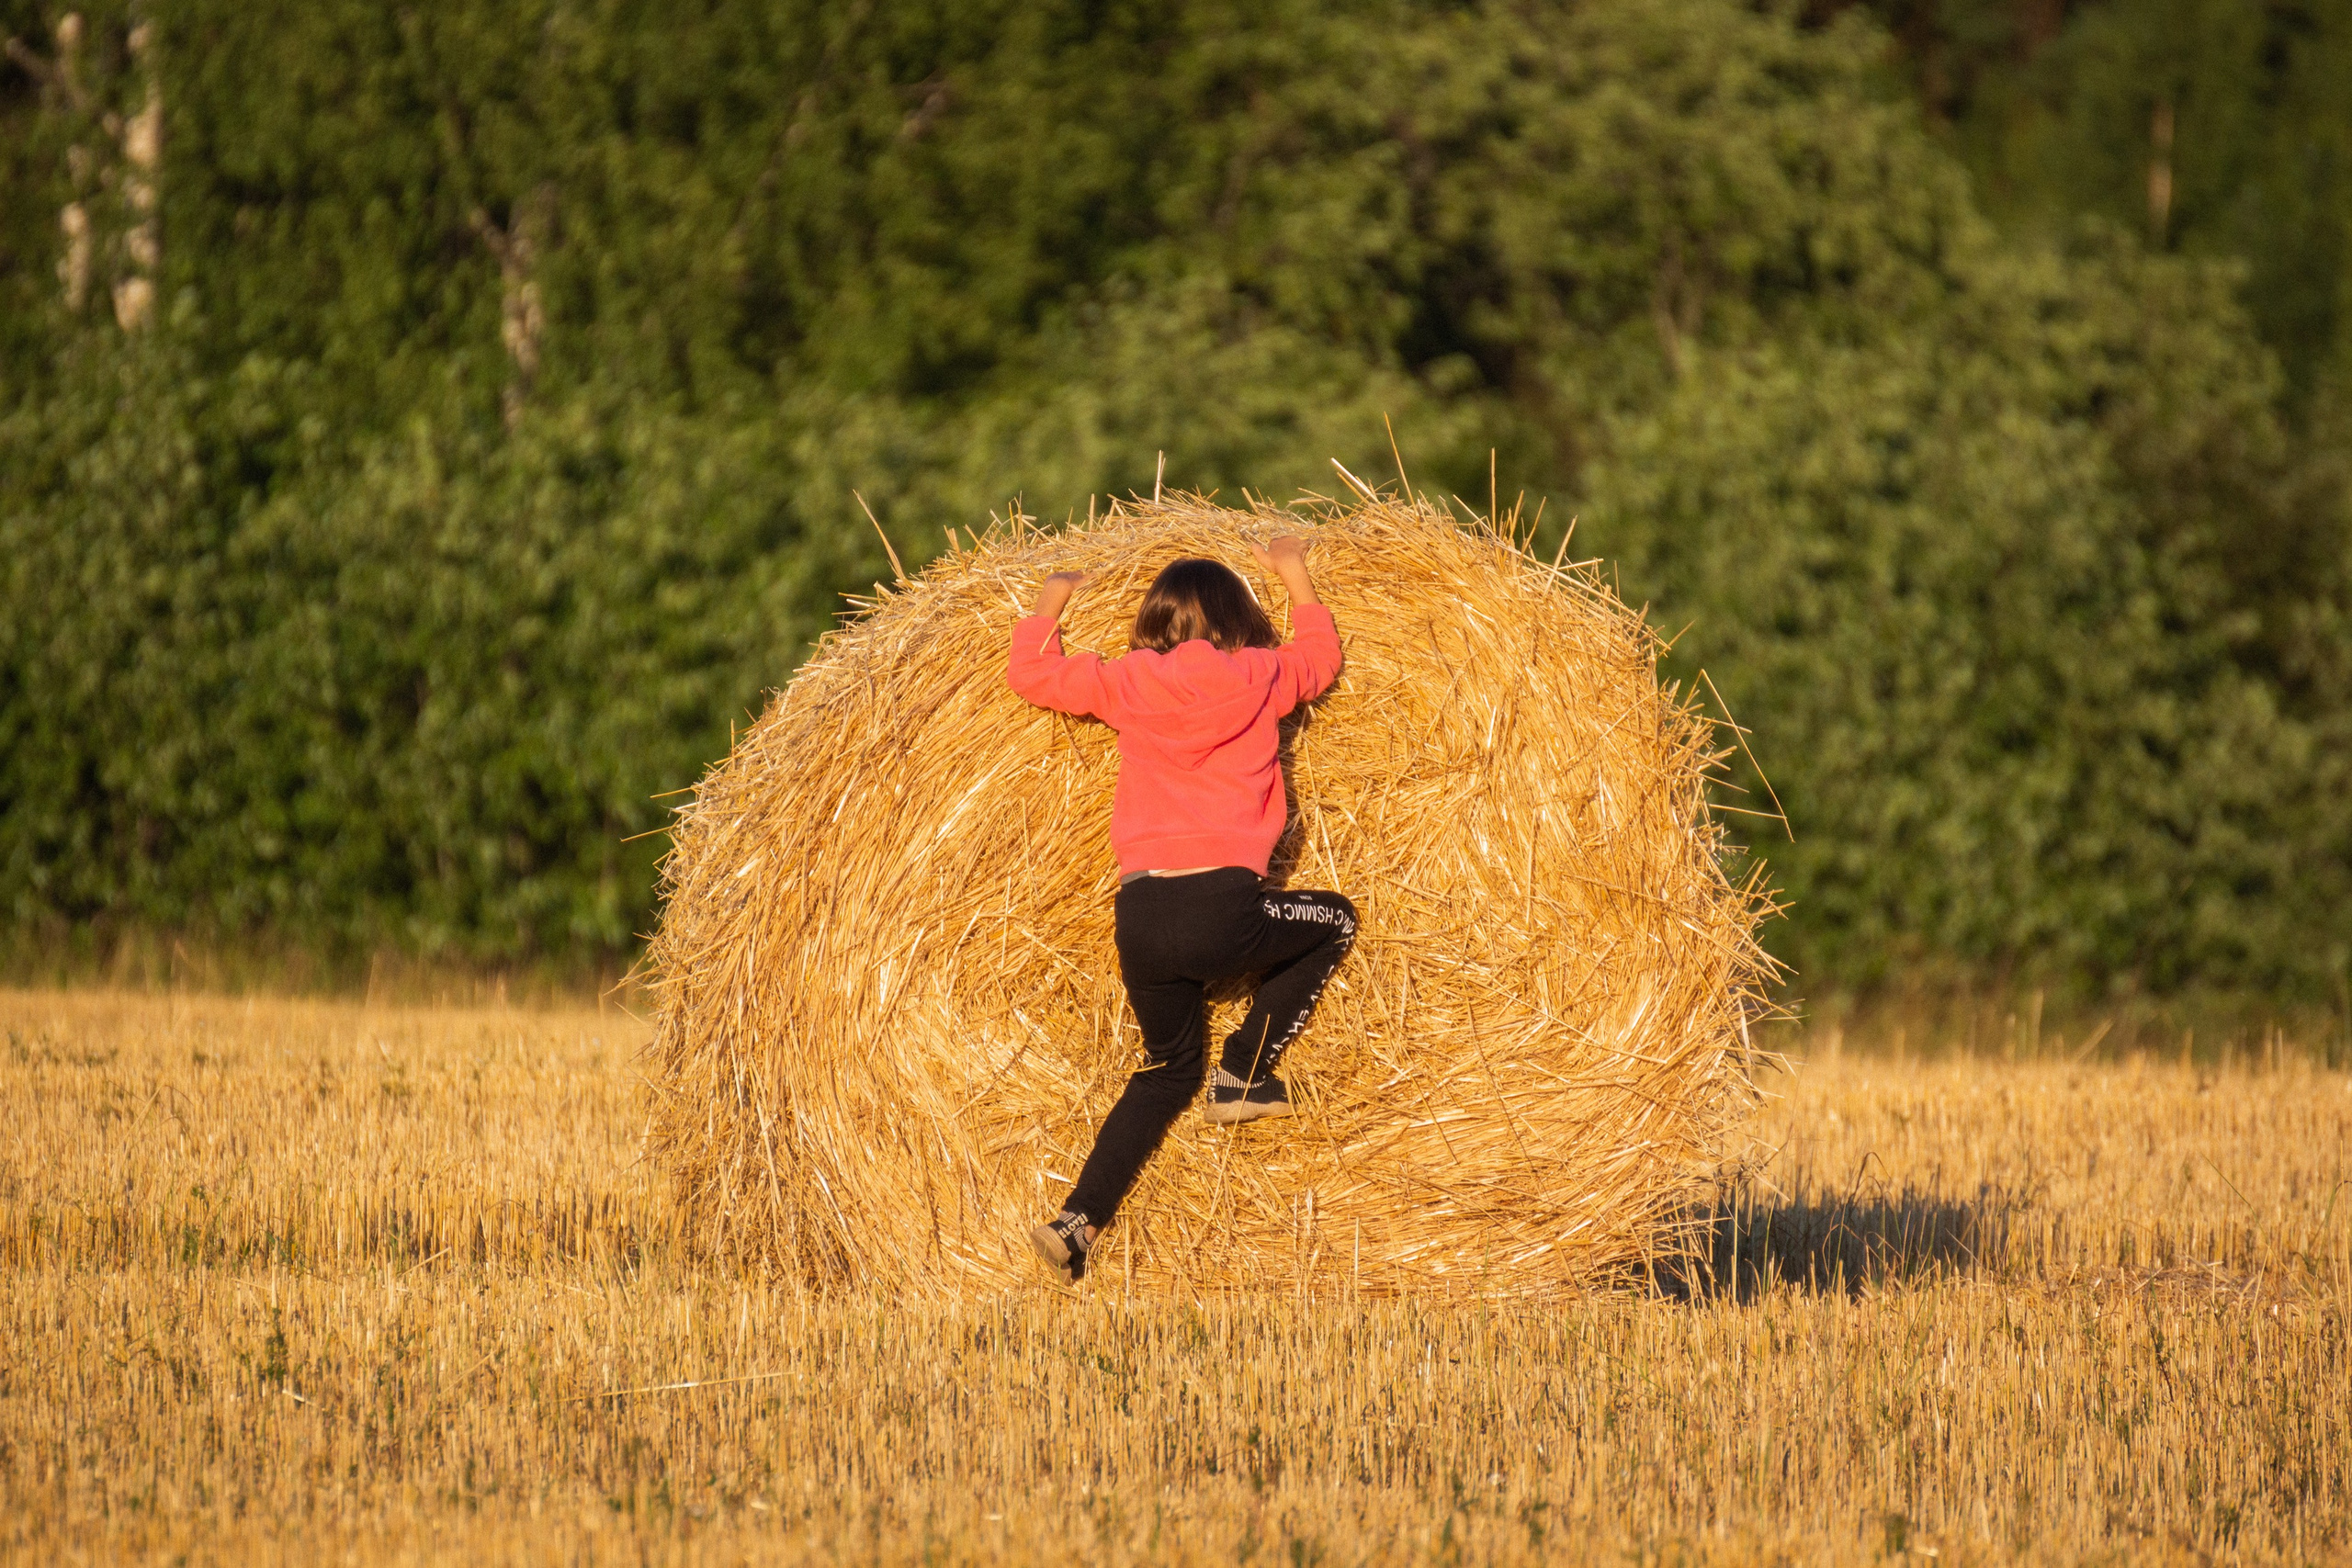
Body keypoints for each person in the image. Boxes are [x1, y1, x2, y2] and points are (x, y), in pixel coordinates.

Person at [1005, 535, 1357, 1284]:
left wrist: (1054, 594)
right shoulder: (1260, 673)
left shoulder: (1130, 681)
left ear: (1155, 623)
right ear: (1238, 622)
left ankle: (1076, 1221)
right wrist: (1294, 571)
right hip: (1221, 905)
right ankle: (1245, 1070)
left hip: (1140, 915)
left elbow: (1030, 674)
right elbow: (1322, 657)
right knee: (1337, 921)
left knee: (1166, 1070)